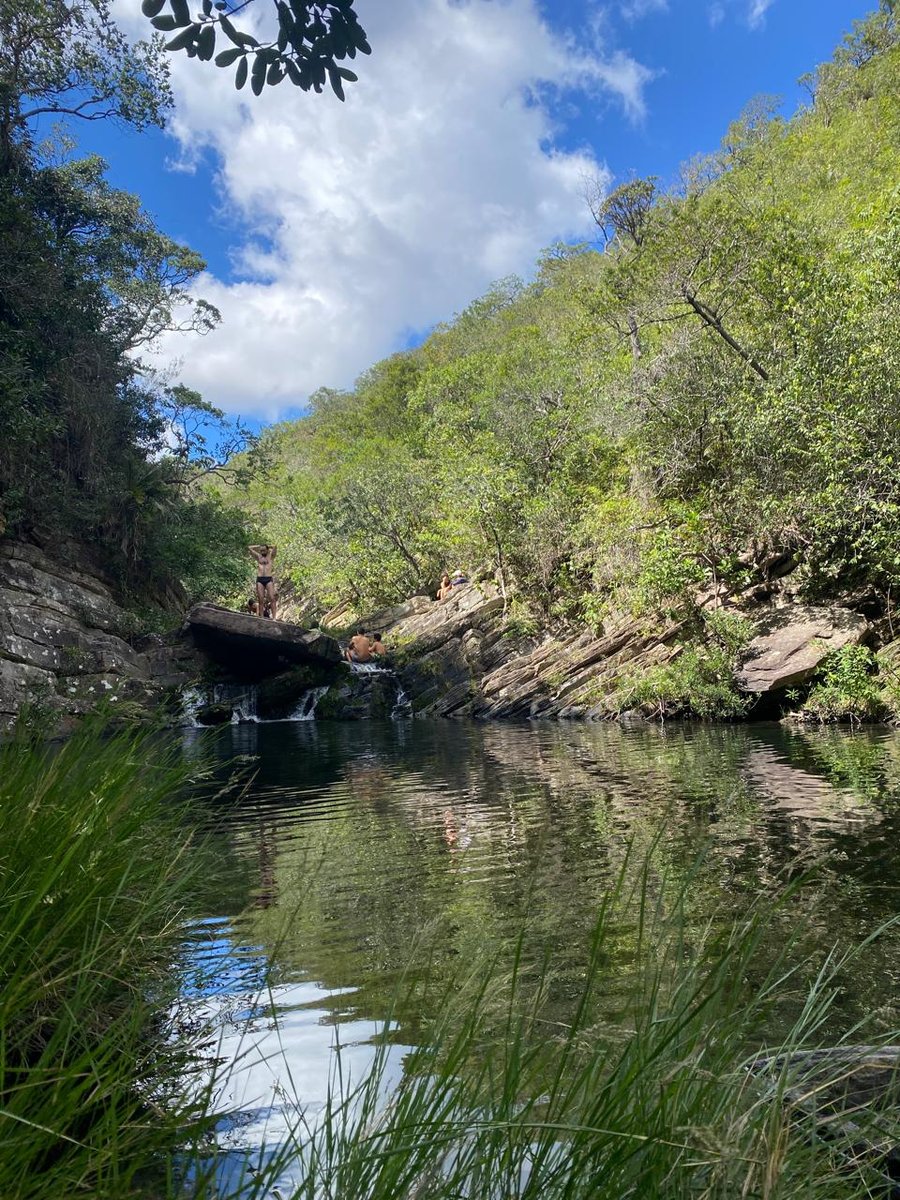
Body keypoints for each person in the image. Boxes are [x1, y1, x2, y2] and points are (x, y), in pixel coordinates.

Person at [249, 544, 277, 619]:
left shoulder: (271, 556)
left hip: (268, 578)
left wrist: (268, 546)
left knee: (272, 598)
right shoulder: (258, 557)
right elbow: (249, 548)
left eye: (264, 550)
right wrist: (258, 546)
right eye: (261, 550)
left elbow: (275, 546)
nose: (262, 552)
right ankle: (261, 617)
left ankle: (274, 618)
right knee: (260, 599)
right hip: (260, 579)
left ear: (267, 550)